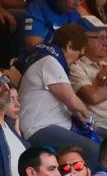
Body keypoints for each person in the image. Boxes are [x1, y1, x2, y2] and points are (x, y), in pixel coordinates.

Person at [17, 23, 100, 168]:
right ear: (68, 45)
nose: (78, 59)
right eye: (79, 53)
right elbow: (74, 103)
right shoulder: (49, 62)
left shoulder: (48, 60)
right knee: (94, 150)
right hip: (40, 128)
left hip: (58, 125)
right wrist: (91, 121)